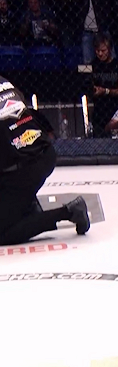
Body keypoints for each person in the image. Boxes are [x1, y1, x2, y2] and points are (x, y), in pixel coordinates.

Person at [0, 76, 90, 246]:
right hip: (42, 151)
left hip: (25, 167)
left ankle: (69, 212)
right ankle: (27, 203)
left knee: (2, 232)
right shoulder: (3, 81)